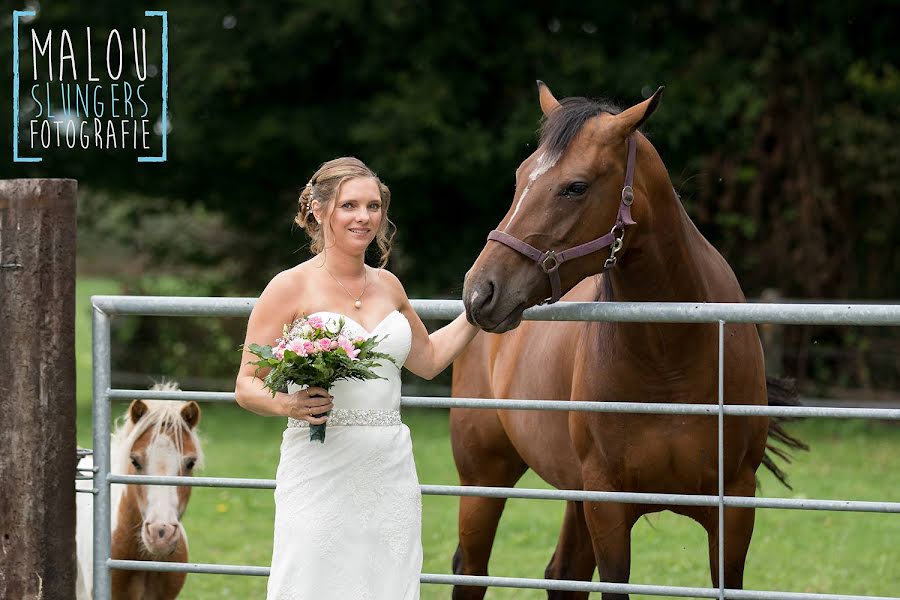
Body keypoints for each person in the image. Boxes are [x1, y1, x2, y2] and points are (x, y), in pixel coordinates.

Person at [234, 157, 479, 600]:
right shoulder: (289, 287)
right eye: (349, 205)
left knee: (387, 581)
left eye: (373, 206)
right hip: (320, 465)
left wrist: (477, 314)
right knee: (313, 579)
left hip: (389, 467)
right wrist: (290, 405)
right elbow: (247, 384)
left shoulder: (389, 285)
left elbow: (428, 360)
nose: (363, 217)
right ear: (318, 210)